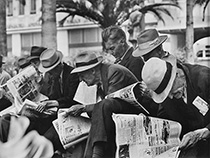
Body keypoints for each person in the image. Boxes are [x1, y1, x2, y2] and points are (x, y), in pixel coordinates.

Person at [64, 51, 148, 158]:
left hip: (138, 113)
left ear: (93, 71)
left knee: (103, 105)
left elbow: (111, 103)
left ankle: (96, 154)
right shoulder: (102, 78)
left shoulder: (114, 72)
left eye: (82, 75)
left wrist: (85, 108)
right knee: (99, 110)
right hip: (121, 113)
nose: (81, 80)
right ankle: (92, 155)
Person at [141, 56, 210, 158]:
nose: (170, 96)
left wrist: (203, 133)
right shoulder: (168, 95)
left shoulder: (204, 78)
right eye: (165, 94)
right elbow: (164, 119)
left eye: (169, 90)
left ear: (177, 75)